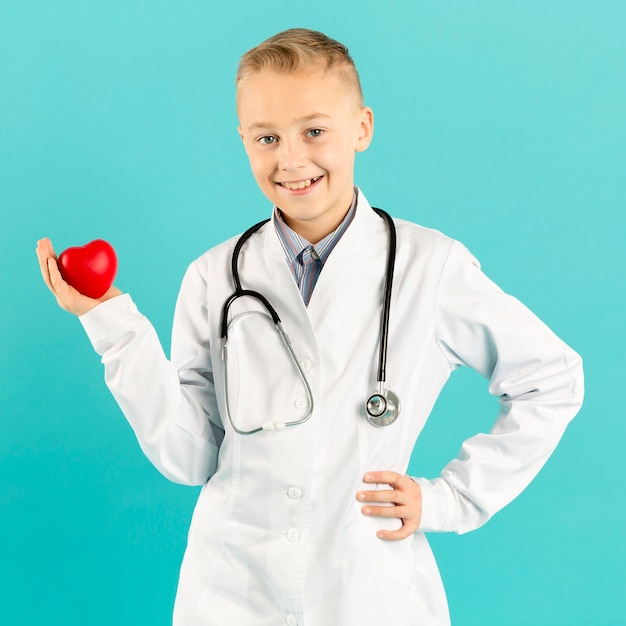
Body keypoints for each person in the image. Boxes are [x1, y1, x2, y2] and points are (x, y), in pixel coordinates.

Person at [36, 28, 584, 626]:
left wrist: (450, 499)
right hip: (232, 592)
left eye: (314, 131)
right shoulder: (215, 275)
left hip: (369, 592)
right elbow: (190, 458)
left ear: (362, 128)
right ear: (242, 141)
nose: (291, 159)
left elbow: (552, 379)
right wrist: (110, 323)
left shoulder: (432, 267)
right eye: (267, 137)